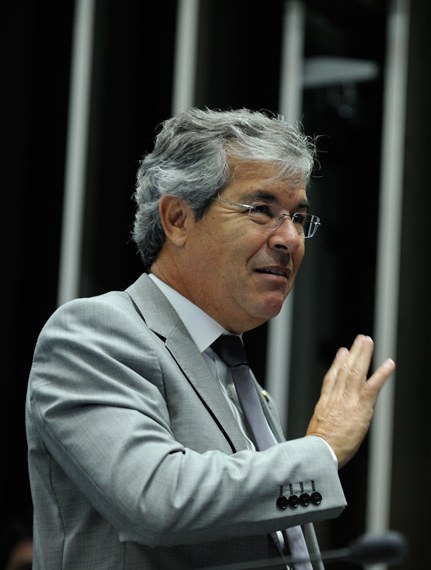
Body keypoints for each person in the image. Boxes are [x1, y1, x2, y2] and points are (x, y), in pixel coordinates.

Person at [25, 107, 395, 569]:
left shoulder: (235, 374)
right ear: (178, 218)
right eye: (262, 210)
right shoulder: (93, 333)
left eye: (299, 217)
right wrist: (322, 447)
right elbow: (157, 498)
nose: (290, 239)